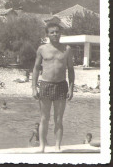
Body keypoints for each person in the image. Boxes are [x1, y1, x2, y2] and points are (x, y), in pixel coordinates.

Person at [32, 22, 75, 153]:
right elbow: (36, 68)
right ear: (47, 34)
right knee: (44, 118)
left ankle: (57, 146)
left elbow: (71, 70)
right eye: (52, 32)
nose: (55, 34)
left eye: (57, 31)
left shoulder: (66, 49)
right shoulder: (42, 49)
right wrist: (34, 87)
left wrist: (72, 88)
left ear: (60, 33)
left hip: (61, 85)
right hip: (45, 84)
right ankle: (42, 146)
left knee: (58, 119)